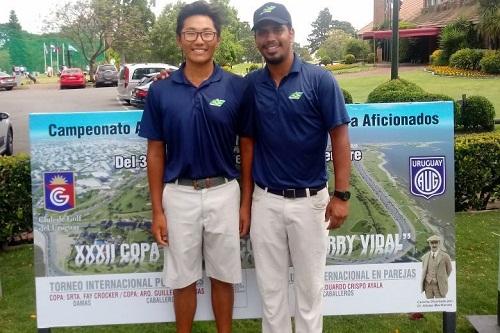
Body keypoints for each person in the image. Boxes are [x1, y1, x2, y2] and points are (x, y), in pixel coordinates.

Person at [138, 1, 253, 332]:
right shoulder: (160, 90)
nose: (198, 40)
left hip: (224, 192)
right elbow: (155, 152)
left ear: (217, 39)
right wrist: (157, 209)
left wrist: (245, 202)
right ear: (179, 39)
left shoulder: (236, 86)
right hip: (178, 195)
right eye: (191, 33)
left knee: (223, 275)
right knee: (182, 278)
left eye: (206, 33)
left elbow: (247, 146)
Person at [242, 2, 352, 332]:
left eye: (277, 30)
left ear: (291, 33)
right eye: (263, 32)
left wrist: (342, 195)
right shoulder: (251, 84)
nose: (270, 38)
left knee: (309, 292)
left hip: (310, 203)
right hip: (266, 202)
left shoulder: (320, 80)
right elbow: (246, 141)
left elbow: (340, 137)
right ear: (257, 39)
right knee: (271, 293)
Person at [421, 235, 452, 299]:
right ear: (429, 244)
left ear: (439, 243)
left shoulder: (445, 256)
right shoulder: (424, 257)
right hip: (428, 285)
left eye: (436, 243)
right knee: (428, 306)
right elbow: (424, 270)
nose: (434, 245)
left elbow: (449, 269)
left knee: (442, 305)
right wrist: (428, 279)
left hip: (440, 286)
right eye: (432, 243)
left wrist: (442, 278)